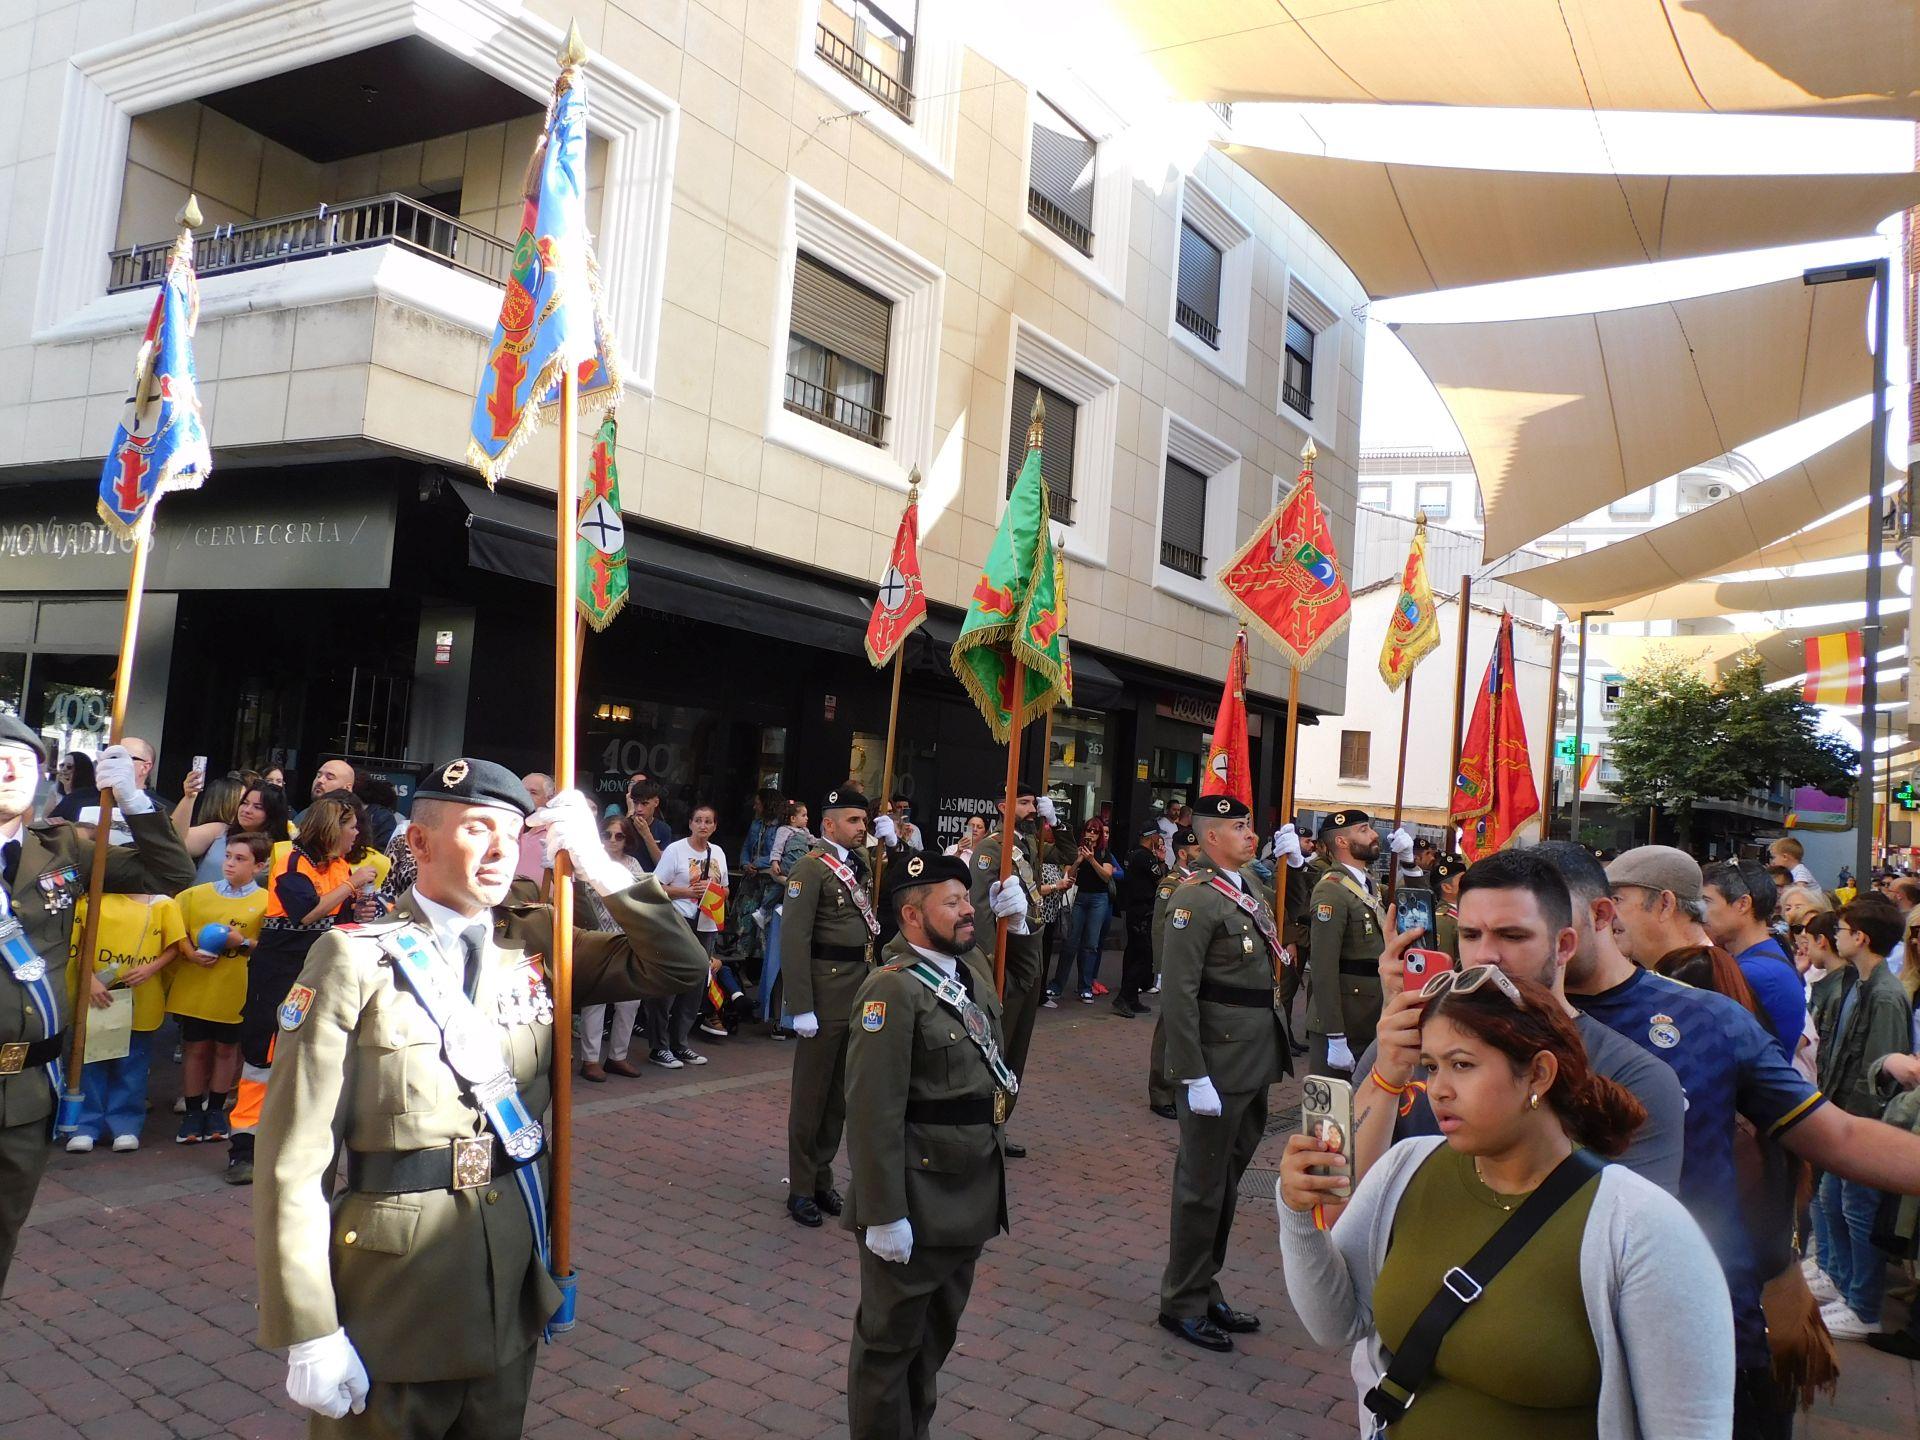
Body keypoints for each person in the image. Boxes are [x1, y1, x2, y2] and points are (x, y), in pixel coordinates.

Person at [253, 759, 707, 1435]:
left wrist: (604, 872)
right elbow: (295, 1157)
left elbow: (678, 965)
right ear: (421, 844)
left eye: (511, 831)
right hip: (394, 1296)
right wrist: (308, 1326)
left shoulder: (537, 940)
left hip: (507, 1282)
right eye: (476, 830)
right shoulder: (354, 959)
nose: (500, 850)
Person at [1277, 965, 1734, 1440]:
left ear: (1538, 1074)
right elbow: (1335, 1322)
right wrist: (1298, 1213)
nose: (1438, 1088)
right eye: (1431, 1067)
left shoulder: (1640, 1226)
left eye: (1463, 1065)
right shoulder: (1407, 1166)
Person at [1599, 843, 1920, 1436]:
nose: (1606, 915)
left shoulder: (1709, 987)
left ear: (1664, 903)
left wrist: (1767, 1262)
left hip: (1724, 1278)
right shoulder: (1691, 974)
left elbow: (1795, 1133)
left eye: (1615, 900)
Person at [1350, 847, 1686, 1195]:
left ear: (1564, 945)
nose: (1485, 955)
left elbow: (1634, 1232)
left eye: (1512, 936)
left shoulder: (1632, 1074)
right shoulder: (1404, 1044)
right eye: (1470, 935)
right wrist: (1385, 1079)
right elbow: (1345, 1195)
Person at [0, 723, 192, 1284]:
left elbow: (172, 874)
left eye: (22, 759)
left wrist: (134, 802)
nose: (10, 769)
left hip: (26, 1095)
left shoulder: (62, 847)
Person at [843, 853, 1011, 1440]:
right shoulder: (890, 992)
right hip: (917, 1196)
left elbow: (1010, 1020)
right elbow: (871, 1115)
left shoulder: (973, 968)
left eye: (969, 899)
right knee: (889, 1349)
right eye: (954, 902)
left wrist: (1030, 926)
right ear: (913, 915)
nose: (970, 911)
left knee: (933, 1342)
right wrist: (883, 1213)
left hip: (969, 1190)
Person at [1155, 794, 1291, 1352]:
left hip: (1251, 1059)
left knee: (1227, 1183)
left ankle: (1205, 1286)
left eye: (1250, 827)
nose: (1251, 836)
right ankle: (1181, 1301)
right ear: (1211, 838)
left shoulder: (1248, 888)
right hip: (1217, 1062)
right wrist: (1191, 1074)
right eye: (1240, 828)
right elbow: (1179, 994)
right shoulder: (1195, 899)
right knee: (1200, 1187)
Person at [226, 793, 380, 1186]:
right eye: (350, 825)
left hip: (320, 969)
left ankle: (294, 1143)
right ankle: (243, 1148)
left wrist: (359, 908)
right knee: (263, 1052)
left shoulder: (342, 865)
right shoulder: (291, 861)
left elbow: (339, 916)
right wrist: (350, 885)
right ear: (332, 828)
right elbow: (305, 911)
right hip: (279, 968)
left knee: (315, 1051)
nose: (356, 832)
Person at [1810, 893, 1915, 1338]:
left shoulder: (1885, 995)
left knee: (1855, 1210)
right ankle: (1839, 1279)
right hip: (1842, 1118)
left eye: (1842, 929)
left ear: (1861, 937)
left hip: (1860, 1126)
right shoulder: (1858, 983)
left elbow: (1879, 1077)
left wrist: (1854, 1131)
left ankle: (1863, 1305)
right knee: (1831, 1201)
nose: (1835, 934)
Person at [782, 789, 883, 1226]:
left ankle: (823, 1179)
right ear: (829, 825)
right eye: (855, 820)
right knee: (811, 1097)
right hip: (823, 998)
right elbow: (795, 940)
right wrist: (800, 1006)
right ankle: (801, 1188)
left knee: (839, 1098)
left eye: (864, 820)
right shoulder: (811, 868)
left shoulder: (859, 865)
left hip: (857, 995)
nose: (863, 827)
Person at [63, 813, 186, 1155]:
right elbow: (75, 947)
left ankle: (125, 1124)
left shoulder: (163, 905)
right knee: (90, 1061)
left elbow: (176, 946)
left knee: (132, 1063)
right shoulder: (90, 903)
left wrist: (151, 969)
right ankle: (84, 1123)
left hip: (139, 998)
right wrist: (89, 981)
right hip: (97, 998)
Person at [166, 830, 271, 1143]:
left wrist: (243, 943)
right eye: (228, 856)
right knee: (194, 1048)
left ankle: (216, 1109)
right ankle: (193, 1111)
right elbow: (175, 929)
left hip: (236, 985)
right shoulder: (196, 895)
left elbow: (268, 947)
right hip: (197, 983)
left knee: (227, 1049)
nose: (230, 864)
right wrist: (189, 952)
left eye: (240, 859)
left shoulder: (266, 902)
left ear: (259, 866)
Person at [966, 785, 1049, 1158]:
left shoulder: (1025, 842)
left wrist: (1053, 822)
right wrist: (987, 964)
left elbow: (1062, 854)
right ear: (1004, 806)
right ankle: (984, 1126)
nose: (1032, 809)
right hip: (1006, 962)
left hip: (1028, 953)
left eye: (1035, 803)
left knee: (1017, 1049)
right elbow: (983, 910)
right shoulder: (991, 848)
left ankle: (1000, 1123)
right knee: (998, 1047)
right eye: (1026, 803)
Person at [1307, 809, 1385, 1074]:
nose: (1374, 834)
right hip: (1346, 1022)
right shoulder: (1331, 889)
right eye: (1364, 830)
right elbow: (1323, 966)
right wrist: (1335, 1035)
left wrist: (1410, 865)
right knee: (1334, 1111)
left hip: (1369, 1016)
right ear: (1341, 842)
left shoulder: (1367, 884)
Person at [650, 804, 728, 1066]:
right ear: (691, 824)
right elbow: (657, 886)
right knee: (670, 983)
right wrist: (687, 893)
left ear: (715, 826)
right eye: (698, 820)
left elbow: (726, 890)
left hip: (706, 923)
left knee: (696, 983)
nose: (703, 826)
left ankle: (680, 1043)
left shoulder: (717, 853)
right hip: (678, 920)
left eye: (708, 821)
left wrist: (714, 888)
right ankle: (659, 1046)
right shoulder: (675, 850)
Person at [578, 817, 648, 1082]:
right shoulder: (589, 864)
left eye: (619, 836)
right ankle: (590, 1060)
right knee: (595, 1002)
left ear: (627, 839)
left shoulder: (633, 865)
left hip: (627, 940)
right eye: (607, 835)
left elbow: (644, 899)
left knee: (629, 1002)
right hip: (596, 940)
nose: (612, 841)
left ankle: (618, 1056)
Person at [1050, 819, 1116, 1004]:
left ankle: (1085, 987)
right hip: (1080, 897)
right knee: (1070, 942)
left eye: (1095, 832)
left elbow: (1106, 876)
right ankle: (1057, 985)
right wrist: (1079, 859)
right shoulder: (1076, 850)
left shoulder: (1104, 853)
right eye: (1089, 830)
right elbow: (1069, 874)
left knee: (1091, 943)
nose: (1091, 834)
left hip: (1098, 899)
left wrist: (1092, 859)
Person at [1115, 824, 1164, 1017]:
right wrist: (1160, 861)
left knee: (1133, 953)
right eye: (1158, 836)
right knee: (1143, 955)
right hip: (1143, 910)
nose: (1159, 839)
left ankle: (1131, 999)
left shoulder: (1132, 853)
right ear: (1151, 837)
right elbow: (1160, 880)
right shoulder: (1145, 856)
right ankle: (1124, 997)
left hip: (1134, 908)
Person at [173, 773, 247, 885]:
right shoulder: (219, 829)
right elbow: (174, 840)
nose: (247, 807)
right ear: (226, 803)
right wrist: (189, 797)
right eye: (243, 801)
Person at [513, 772, 555, 889]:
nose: (525, 797)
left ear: (550, 798)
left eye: (533, 792)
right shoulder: (507, 830)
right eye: (522, 792)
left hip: (542, 904)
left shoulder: (555, 833)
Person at [1430, 854, 1466, 960]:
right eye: (1462, 880)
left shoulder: (1462, 911)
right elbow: (1444, 963)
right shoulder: (1442, 920)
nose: (1468, 883)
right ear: (1447, 887)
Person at [297, 758, 356, 822]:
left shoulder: (353, 822)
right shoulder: (303, 815)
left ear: (347, 788)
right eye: (318, 776)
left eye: (330, 778)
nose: (320, 780)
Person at [48, 750, 98, 822]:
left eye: (69, 766)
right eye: (62, 765)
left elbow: (76, 816)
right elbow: (48, 818)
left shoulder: (92, 792)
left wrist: (69, 794)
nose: (64, 769)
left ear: (81, 771)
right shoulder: (55, 789)